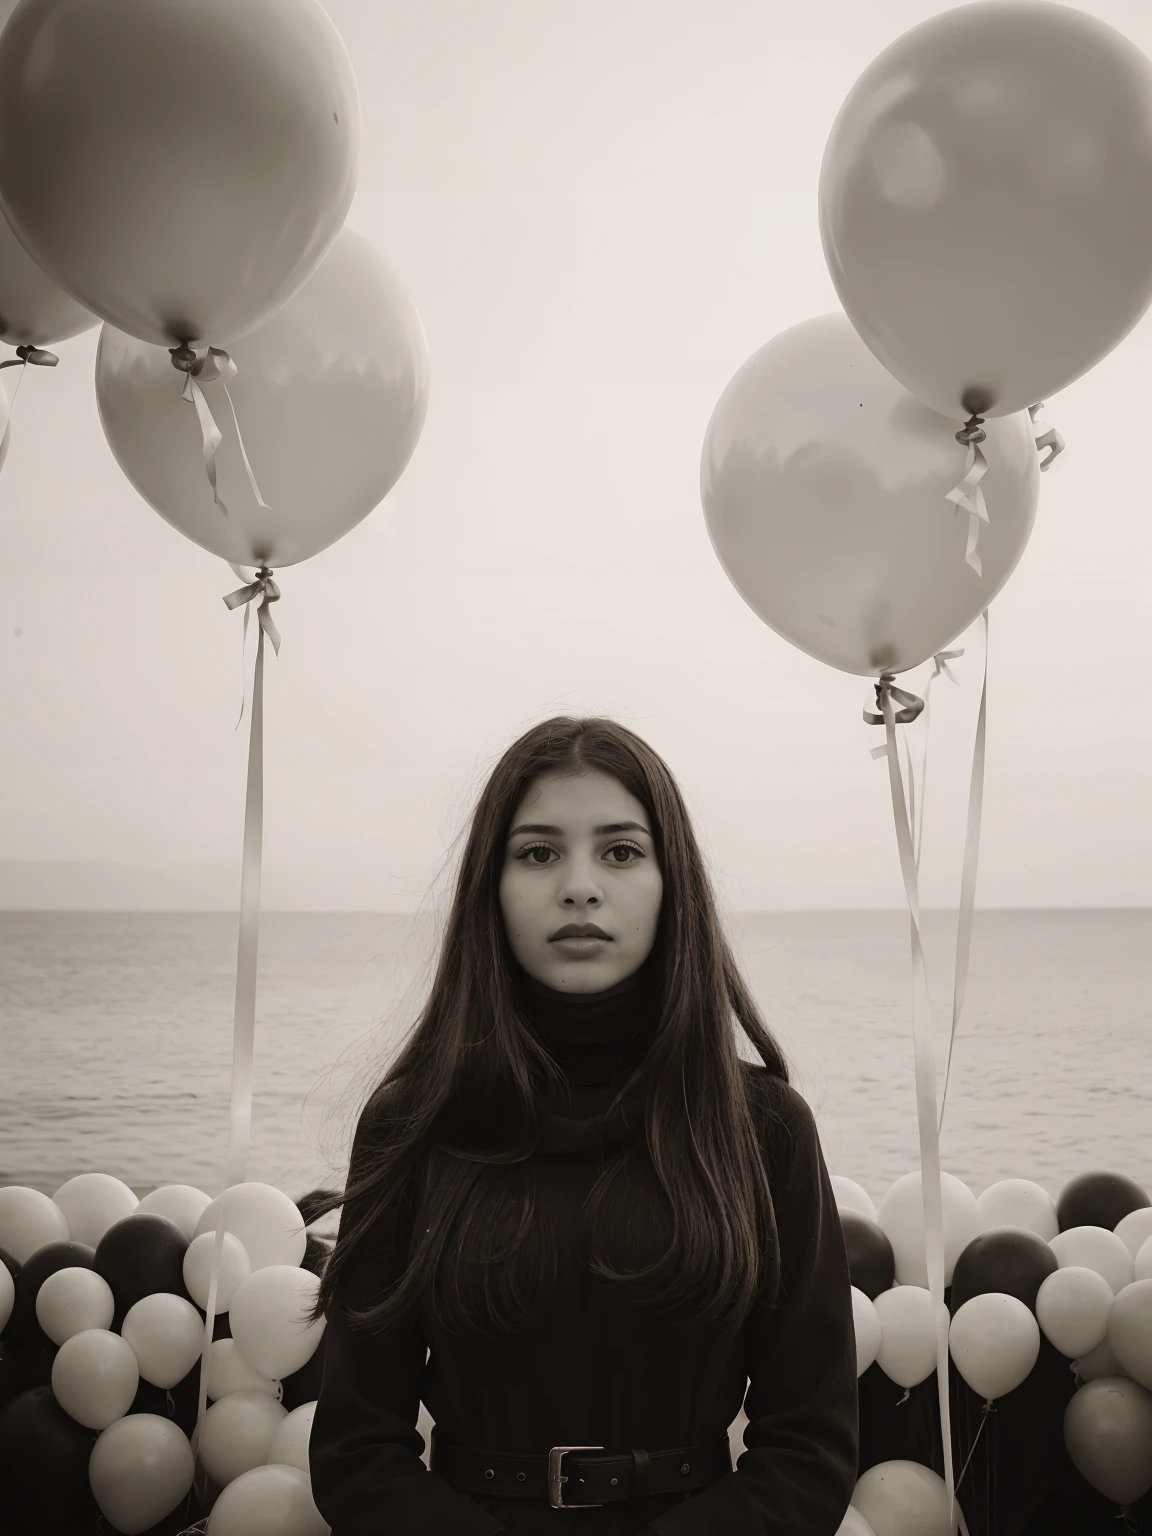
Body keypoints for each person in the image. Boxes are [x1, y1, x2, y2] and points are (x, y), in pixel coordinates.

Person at [305, 716, 859, 1534]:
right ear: (489, 888)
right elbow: (355, 1452)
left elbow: (810, 1449)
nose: (579, 886)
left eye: (621, 851)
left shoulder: (764, 1127)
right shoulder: (412, 1120)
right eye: (537, 852)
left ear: (674, 884)